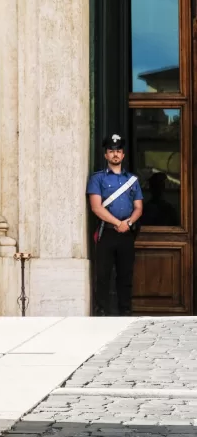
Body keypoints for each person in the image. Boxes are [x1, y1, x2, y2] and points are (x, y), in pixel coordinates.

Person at [86, 134, 143, 316]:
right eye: (111, 151)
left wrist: (129, 222)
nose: (115, 154)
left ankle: (125, 311)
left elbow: (138, 207)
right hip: (107, 232)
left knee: (125, 275)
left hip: (127, 233)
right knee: (103, 275)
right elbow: (96, 207)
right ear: (106, 155)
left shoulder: (132, 180)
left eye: (118, 151)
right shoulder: (97, 179)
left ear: (123, 155)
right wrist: (118, 223)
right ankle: (101, 312)